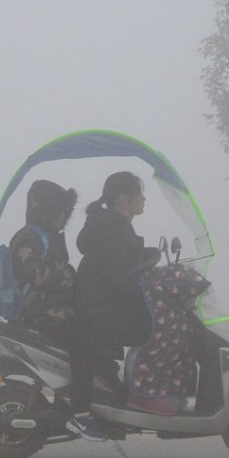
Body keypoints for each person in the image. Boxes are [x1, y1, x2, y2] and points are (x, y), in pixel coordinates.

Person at [65, 171, 150, 441]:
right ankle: (150, 400)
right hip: (98, 312)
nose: (144, 199)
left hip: (98, 307)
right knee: (149, 329)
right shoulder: (114, 229)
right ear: (123, 198)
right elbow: (117, 277)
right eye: (139, 194)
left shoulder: (110, 225)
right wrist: (146, 290)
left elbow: (121, 268)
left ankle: (122, 399)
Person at [9, 180, 78, 334]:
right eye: (61, 210)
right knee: (89, 346)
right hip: (42, 313)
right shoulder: (30, 236)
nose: (64, 216)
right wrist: (67, 277)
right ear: (50, 211)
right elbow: (31, 272)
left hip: (47, 310)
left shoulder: (43, 236)